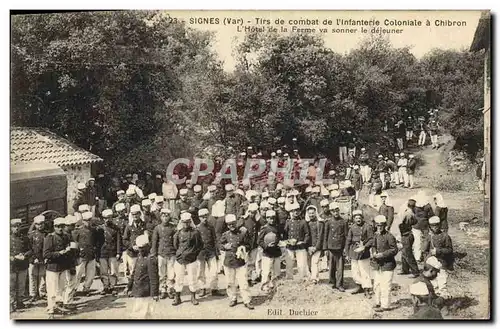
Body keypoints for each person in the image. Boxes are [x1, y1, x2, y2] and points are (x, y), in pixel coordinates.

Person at [219, 214, 255, 309]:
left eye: (233, 223)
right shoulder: (225, 235)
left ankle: (246, 300)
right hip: (229, 262)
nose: (232, 226)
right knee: (230, 282)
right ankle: (233, 298)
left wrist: (243, 247)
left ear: (236, 223)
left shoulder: (242, 233)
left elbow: (248, 245)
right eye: (229, 224)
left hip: (240, 262)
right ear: (227, 225)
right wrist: (224, 247)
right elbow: (220, 245)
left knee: (243, 282)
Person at [172, 212, 203, 306]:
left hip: (191, 259)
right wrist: (180, 254)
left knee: (192, 278)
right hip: (180, 259)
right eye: (184, 222)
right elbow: (175, 245)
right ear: (181, 222)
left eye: (188, 222)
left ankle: (193, 297)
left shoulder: (195, 233)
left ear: (190, 222)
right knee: (178, 278)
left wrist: (193, 254)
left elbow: (200, 245)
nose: (186, 224)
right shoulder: (178, 233)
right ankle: (177, 297)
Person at [43, 217, 72, 318]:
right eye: (58, 227)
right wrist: (59, 253)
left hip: (62, 267)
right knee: (52, 290)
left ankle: (59, 306)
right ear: (54, 227)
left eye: (62, 226)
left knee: (62, 288)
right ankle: (51, 309)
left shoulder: (66, 237)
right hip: (52, 267)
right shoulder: (49, 238)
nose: (60, 229)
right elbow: (46, 254)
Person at [369, 215, 398, 312]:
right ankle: (378, 302)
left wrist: (383, 254)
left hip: (387, 264)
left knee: (386, 285)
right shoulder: (376, 235)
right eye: (377, 225)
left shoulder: (389, 236)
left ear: (385, 225)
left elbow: (394, 250)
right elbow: (373, 245)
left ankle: (385, 305)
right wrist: (373, 252)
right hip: (378, 264)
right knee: (377, 284)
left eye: (381, 225)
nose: (379, 227)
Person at [128, 234, 159, 319]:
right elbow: (134, 273)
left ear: (147, 247)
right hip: (138, 289)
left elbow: (154, 278)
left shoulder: (150, 259)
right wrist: (129, 286)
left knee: (145, 314)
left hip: (146, 291)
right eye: (139, 248)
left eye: (142, 248)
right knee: (139, 313)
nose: (140, 250)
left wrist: (154, 294)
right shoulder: (139, 256)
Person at [422, 216, 453, 298]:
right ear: (430, 226)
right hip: (432, 264)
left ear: (439, 225)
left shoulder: (445, 236)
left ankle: (444, 300)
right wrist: (427, 261)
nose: (434, 227)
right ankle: (435, 300)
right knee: (433, 283)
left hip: (442, 262)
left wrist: (438, 251)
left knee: (442, 283)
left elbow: (449, 250)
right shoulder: (429, 237)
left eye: (436, 225)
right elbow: (424, 251)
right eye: (432, 226)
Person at [345, 210, 373, 297]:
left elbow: (372, 239)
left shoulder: (367, 227)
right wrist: (347, 253)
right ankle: (359, 286)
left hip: (364, 252)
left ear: (362, 218)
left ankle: (367, 289)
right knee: (355, 272)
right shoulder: (352, 228)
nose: (358, 220)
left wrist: (364, 246)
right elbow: (348, 240)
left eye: (359, 218)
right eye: (356, 218)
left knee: (364, 271)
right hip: (354, 251)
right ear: (354, 219)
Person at [150, 208, 177, 299]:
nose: (165, 218)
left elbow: (176, 241)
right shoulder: (157, 228)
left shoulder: (173, 227)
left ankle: (170, 289)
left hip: (171, 253)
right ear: (161, 217)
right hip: (161, 253)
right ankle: (163, 289)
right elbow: (154, 241)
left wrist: (176, 252)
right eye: (163, 216)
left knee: (171, 273)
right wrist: (154, 253)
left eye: (167, 216)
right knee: (162, 274)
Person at [196, 208, 222, 297]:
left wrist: (217, 252)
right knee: (200, 271)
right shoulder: (197, 228)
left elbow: (215, 239)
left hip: (211, 251)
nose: (204, 219)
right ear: (199, 218)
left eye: (206, 216)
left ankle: (214, 288)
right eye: (202, 217)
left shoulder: (211, 227)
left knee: (214, 271)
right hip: (201, 252)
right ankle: (202, 288)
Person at [71, 211, 98, 296]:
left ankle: (86, 288)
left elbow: (95, 242)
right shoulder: (78, 231)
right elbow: (75, 243)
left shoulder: (94, 230)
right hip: (81, 255)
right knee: (78, 273)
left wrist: (94, 250)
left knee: (90, 274)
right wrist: (76, 254)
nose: (88, 222)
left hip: (91, 254)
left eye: (90, 220)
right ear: (83, 221)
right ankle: (74, 289)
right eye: (86, 220)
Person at [323, 202, 349, 292]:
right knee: (331, 266)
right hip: (331, 247)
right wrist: (325, 248)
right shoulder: (328, 222)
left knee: (340, 267)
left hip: (340, 248)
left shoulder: (344, 221)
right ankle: (332, 282)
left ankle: (339, 284)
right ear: (331, 212)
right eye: (333, 211)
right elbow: (325, 236)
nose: (336, 213)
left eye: (337, 210)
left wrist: (346, 248)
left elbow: (346, 236)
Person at [123, 205, 147, 294]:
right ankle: (131, 287)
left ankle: (140, 287)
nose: (135, 216)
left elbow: (147, 237)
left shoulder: (144, 224)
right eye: (133, 215)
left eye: (137, 214)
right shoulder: (129, 226)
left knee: (141, 270)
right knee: (133, 271)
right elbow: (125, 240)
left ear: (140, 214)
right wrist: (132, 246)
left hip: (142, 252)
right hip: (132, 253)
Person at [96, 209, 121, 296]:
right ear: (103, 219)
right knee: (103, 271)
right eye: (105, 218)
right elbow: (97, 243)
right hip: (103, 252)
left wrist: (118, 252)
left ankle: (112, 286)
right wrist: (97, 254)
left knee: (113, 271)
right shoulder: (99, 229)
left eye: (109, 218)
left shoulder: (116, 228)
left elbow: (118, 241)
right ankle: (105, 286)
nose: (107, 220)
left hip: (112, 252)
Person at [237, 203, 263, 285]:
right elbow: (237, 227)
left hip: (254, 244)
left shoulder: (257, 219)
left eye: (254, 212)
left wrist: (259, 218)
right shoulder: (244, 219)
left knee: (252, 262)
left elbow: (264, 224)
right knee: (245, 262)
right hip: (245, 244)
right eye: (251, 212)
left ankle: (249, 278)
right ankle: (244, 279)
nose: (252, 214)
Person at [283, 203, 311, 280]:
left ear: (300, 212)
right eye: (294, 211)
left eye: (297, 210)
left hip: (300, 246)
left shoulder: (303, 222)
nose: (295, 212)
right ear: (291, 212)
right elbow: (285, 234)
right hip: (290, 246)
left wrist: (303, 242)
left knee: (302, 264)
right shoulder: (288, 222)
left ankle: (303, 277)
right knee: (289, 263)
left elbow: (307, 234)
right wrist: (288, 241)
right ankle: (289, 277)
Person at [258, 210, 282, 292]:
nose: (271, 220)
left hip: (276, 252)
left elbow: (279, 238)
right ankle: (265, 286)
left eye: (273, 218)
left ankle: (274, 285)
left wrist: (278, 243)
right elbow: (259, 241)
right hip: (267, 253)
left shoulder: (277, 227)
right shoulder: (264, 228)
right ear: (266, 219)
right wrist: (266, 246)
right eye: (269, 218)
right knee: (266, 271)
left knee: (276, 270)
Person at [10, 218, 32, 311]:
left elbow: (30, 250)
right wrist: (11, 257)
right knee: (11, 286)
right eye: (15, 227)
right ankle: (11, 303)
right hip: (11, 266)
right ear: (11, 228)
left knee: (21, 285)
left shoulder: (25, 238)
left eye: (18, 226)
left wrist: (25, 255)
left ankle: (20, 302)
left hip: (22, 265)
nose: (17, 228)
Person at [396, 203, 419, 278]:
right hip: (407, 234)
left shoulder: (407, 213)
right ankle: (405, 269)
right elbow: (415, 222)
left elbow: (401, 224)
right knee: (404, 253)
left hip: (406, 235)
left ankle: (415, 271)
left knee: (408, 253)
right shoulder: (412, 213)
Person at [28, 215, 47, 303]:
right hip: (34, 259)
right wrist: (33, 258)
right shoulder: (31, 235)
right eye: (38, 224)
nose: (40, 226)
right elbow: (29, 248)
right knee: (33, 276)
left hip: (43, 258)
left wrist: (45, 258)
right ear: (35, 225)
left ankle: (42, 293)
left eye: (42, 224)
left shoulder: (47, 234)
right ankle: (33, 294)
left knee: (43, 276)